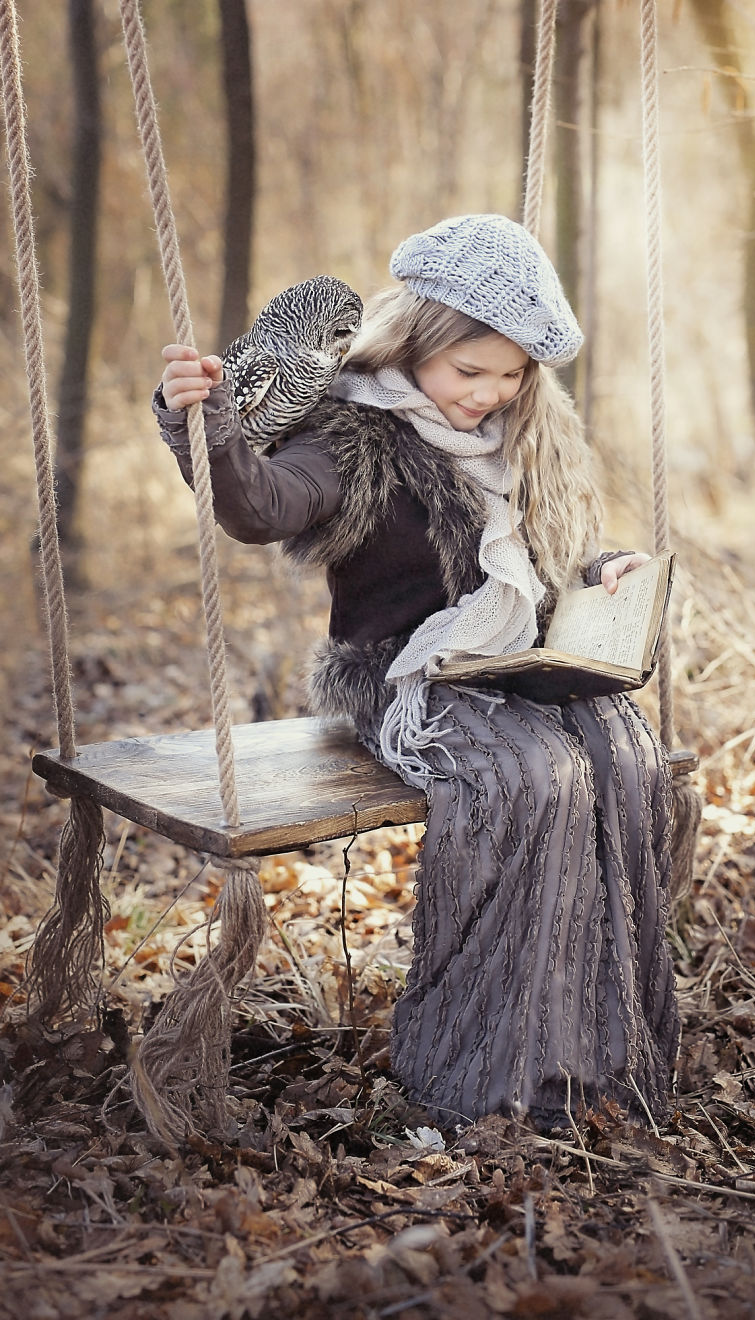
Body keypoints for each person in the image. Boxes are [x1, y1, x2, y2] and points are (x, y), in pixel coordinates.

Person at [154, 213, 680, 1131]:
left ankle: (601, 1054)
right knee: (531, 776)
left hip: (513, 665)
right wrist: (204, 421)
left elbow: (543, 561)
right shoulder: (357, 431)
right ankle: (487, 1061)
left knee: (624, 757)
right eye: (468, 371)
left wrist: (602, 574)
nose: (489, 394)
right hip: (407, 681)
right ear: (415, 342)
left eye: (512, 375)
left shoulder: (526, 438)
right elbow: (261, 506)